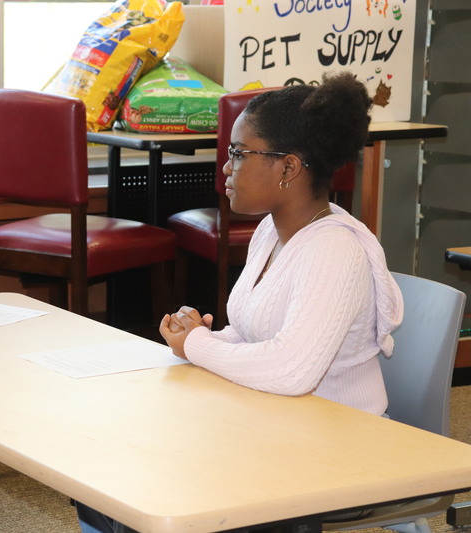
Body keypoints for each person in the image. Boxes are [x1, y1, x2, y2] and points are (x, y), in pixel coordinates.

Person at [75, 71, 404, 533]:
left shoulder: (333, 250)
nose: (226, 168)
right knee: (106, 475)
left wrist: (196, 346)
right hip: (279, 422)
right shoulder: (271, 230)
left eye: (237, 153)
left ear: (288, 167)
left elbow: (290, 370)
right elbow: (256, 336)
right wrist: (203, 336)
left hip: (337, 443)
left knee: (159, 498)